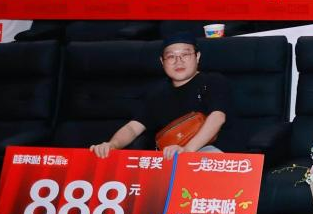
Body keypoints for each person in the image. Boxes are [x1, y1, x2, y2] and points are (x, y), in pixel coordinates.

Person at [90, 34, 236, 159]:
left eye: (185, 54)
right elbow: (133, 128)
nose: (178, 61)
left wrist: (187, 150)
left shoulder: (213, 81)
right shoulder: (157, 93)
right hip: (168, 155)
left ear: (197, 57)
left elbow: (217, 117)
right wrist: (112, 145)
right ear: (162, 62)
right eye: (171, 56)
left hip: (209, 153)